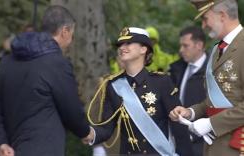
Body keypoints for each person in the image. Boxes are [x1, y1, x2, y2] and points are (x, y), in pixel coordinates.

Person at [0, 5, 94, 156]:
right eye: (72, 34)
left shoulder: (6, 62)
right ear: (65, 31)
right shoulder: (57, 64)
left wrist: (0, 142)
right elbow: (71, 109)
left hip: (11, 149)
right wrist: (86, 132)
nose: (71, 40)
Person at [87, 27, 192, 155]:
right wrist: (89, 133)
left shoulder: (162, 82)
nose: (122, 47)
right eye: (120, 44)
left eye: (128, 43)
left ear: (144, 49)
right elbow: (106, 128)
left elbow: (179, 126)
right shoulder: (112, 85)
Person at [169, 0, 244, 155]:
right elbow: (212, 102)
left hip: (237, 146)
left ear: (222, 15)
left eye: (205, 18)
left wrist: (211, 123)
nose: (203, 26)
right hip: (213, 146)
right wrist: (190, 112)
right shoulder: (217, 49)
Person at [169, 26, 207, 156]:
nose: (181, 50)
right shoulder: (176, 69)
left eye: (186, 46)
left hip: (204, 142)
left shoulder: (213, 71)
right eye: (181, 46)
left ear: (199, 45)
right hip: (178, 141)